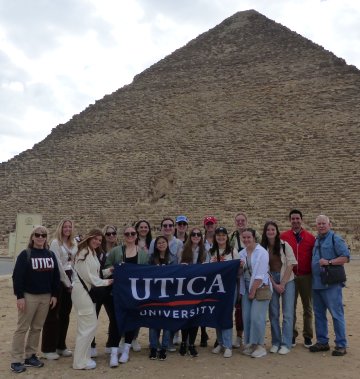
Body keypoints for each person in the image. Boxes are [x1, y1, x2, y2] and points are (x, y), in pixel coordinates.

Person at [11, 226, 60, 373]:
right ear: (32, 237)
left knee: (37, 328)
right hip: (29, 296)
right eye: (37, 235)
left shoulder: (50, 255)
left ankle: (30, 355)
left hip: (45, 296)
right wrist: (20, 296)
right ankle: (16, 359)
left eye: (43, 235)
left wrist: (55, 295)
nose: (40, 237)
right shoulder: (25, 254)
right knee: (22, 328)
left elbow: (55, 277)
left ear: (46, 238)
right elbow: (17, 277)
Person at [106, 226, 149, 364]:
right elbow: (104, 269)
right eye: (127, 234)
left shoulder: (142, 254)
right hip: (118, 293)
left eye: (132, 233)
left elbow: (147, 272)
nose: (130, 235)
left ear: (136, 236)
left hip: (134, 294)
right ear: (123, 236)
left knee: (131, 320)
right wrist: (112, 270)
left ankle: (126, 350)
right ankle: (113, 352)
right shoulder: (115, 251)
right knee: (115, 321)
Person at [72, 229, 113, 370]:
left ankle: (84, 357)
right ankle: (79, 362)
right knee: (86, 327)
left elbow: (96, 272)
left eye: (100, 240)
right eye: (95, 239)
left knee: (89, 325)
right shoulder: (83, 253)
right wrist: (106, 282)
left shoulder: (93, 253)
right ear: (89, 238)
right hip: (82, 293)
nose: (97, 242)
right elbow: (88, 277)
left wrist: (109, 272)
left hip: (86, 292)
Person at [309, 215, 350, 356]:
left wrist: (329, 262)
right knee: (319, 314)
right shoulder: (316, 240)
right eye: (319, 224)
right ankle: (322, 342)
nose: (321, 226)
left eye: (323, 223)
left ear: (329, 224)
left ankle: (341, 344)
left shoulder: (335, 239)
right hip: (317, 284)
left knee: (336, 314)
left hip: (331, 284)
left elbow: (345, 257)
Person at [41, 219, 78, 360]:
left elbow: (73, 263)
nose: (67, 229)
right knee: (53, 315)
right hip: (58, 280)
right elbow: (57, 265)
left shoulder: (74, 243)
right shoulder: (56, 243)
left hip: (70, 279)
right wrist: (67, 283)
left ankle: (60, 346)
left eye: (70, 226)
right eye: (65, 226)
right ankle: (48, 348)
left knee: (65, 314)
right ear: (60, 228)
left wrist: (73, 281)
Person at [280, 209, 315, 348]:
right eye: (293, 219)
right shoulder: (283, 237)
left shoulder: (310, 237)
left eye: (297, 218)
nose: (295, 221)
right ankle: (292, 335)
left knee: (308, 307)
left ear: (302, 219)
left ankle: (307, 336)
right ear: (290, 220)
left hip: (306, 276)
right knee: (290, 307)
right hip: (291, 276)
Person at [261, 221, 297, 355]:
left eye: (273, 229)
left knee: (287, 313)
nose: (270, 232)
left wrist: (282, 283)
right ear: (265, 232)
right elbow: (263, 268)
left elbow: (290, 264)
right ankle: (276, 342)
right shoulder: (262, 247)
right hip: (271, 281)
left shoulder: (284, 245)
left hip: (287, 279)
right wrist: (275, 284)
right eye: (268, 230)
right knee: (273, 313)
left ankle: (286, 343)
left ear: (276, 231)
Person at [91, 224, 121, 367]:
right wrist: (110, 270)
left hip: (113, 288)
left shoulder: (121, 250)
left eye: (113, 233)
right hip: (98, 288)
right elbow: (95, 271)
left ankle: (111, 344)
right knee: (93, 316)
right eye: (108, 234)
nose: (111, 236)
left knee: (114, 317)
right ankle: (91, 344)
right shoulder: (97, 250)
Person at [240, 228, 271, 358]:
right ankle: (251, 344)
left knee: (257, 317)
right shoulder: (241, 253)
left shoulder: (262, 252)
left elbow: (260, 274)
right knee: (247, 317)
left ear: (254, 238)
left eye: (249, 237)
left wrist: (252, 291)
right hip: (246, 288)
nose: (246, 240)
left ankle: (260, 346)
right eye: (244, 237)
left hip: (260, 288)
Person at [209, 227, 239, 358]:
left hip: (230, 287)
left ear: (227, 237)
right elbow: (205, 270)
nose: (221, 237)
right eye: (218, 235)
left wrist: (240, 266)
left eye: (223, 235)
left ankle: (228, 345)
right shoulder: (211, 252)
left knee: (227, 315)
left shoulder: (233, 252)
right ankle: (220, 342)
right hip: (216, 288)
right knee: (218, 315)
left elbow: (238, 272)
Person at [178, 227, 206, 357]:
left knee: (196, 316)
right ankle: (184, 342)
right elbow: (177, 266)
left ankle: (191, 343)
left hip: (199, 288)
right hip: (185, 287)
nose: (196, 236)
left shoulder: (204, 251)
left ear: (201, 237)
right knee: (185, 315)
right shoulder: (183, 249)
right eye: (193, 234)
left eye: (198, 234)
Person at [148, 236, 174, 361]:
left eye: (163, 242)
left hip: (169, 294)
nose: (161, 244)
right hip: (155, 293)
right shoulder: (151, 258)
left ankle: (164, 347)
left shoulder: (173, 258)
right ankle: (153, 347)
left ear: (167, 244)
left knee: (167, 321)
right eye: (159, 243)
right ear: (156, 245)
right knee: (154, 321)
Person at [200, 215, 218, 347]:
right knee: (202, 305)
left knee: (217, 305)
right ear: (204, 226)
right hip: (203, 277)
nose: (210, 226)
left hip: (217, 277)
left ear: (215, 224)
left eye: (211, 223)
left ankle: (219, 336)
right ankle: (203, 333)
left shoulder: (221, 238)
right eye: (208, 224)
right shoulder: (200, 240)